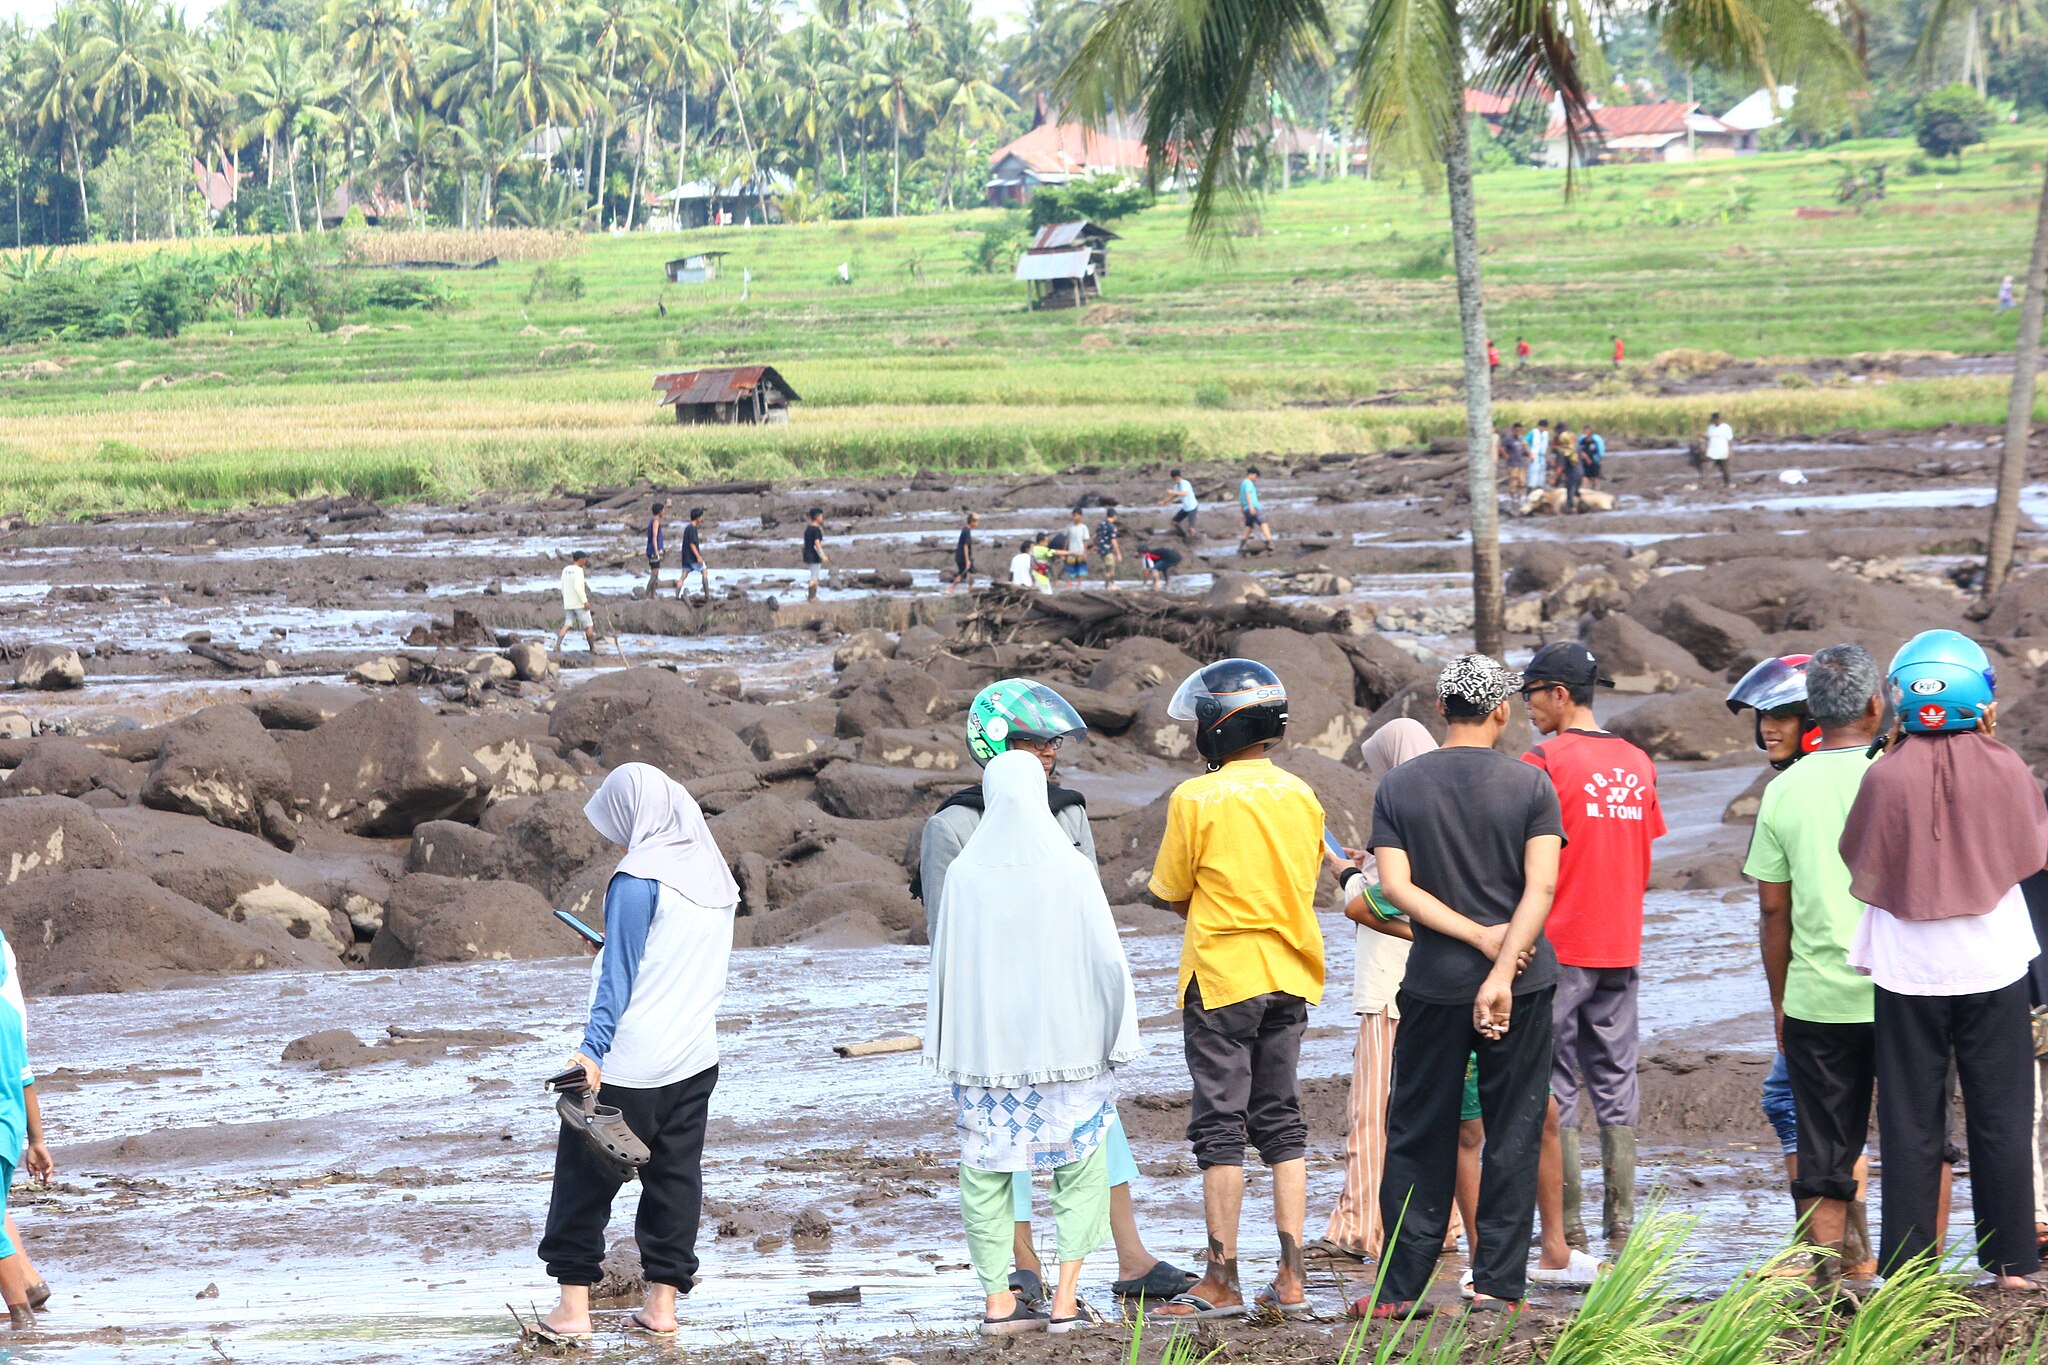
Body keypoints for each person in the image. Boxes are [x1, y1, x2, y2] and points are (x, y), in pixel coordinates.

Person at [918, 683, 1196, 1310]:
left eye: (1051, 741)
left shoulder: (1069, 812)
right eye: (1029, 742)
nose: (1047, 752)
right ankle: (1023, 1264)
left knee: (1095, 1132)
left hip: (1063, 1005)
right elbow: (946, 935)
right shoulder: (951, 826)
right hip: (996, 1009)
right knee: (999, 1145)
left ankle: (1132, 1254)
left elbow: (1089, 915)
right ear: (995, 747)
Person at [1839, 630, 2046, 1288]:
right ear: (1974, 695)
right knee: (2002, 1114)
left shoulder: (1883, 772)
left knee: (1910, 1119)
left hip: (1908, 970)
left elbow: (1859, 857)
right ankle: (2012, 1264)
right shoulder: (2007, 764)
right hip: (1994, 964)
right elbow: (2029, 851)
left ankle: (1908, 1266)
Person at [1363, 654, 1562, 1319]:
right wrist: (1503, 962)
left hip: (1435, 983)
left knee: (1419, 1129)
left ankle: (1400, 1290)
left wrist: (1475, 941)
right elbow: (1542, 886)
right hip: (1526, 983)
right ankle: (1500, 1285)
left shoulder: (1400, 786)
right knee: (1514, 1126)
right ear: (1502, 710)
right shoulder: (1531, 785)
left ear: (1442, 710)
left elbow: (1394, 888)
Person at [927, 749, 1144, 1335]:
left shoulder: (966, 874)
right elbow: (1106, 957)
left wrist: (945, 1044)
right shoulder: (1070, 869)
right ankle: (1067, 1300)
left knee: (985, 1174)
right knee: (1080, 1168)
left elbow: (945, 964)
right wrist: (1118, 1029)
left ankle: (1000, 1302)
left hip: (988, 1057)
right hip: (1069, 1046)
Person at [533, 764, 738, 1342]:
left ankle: (573, 1313)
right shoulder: (716, 879)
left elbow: (619, 981)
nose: (619, 841)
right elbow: (674, 961)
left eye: (619, 825)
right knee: (675, 1182)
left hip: (628, 1063)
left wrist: (590, 1053)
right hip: (695, 1058)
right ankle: (662, 1308)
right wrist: (606, 948)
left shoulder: (635, 879)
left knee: (582, 1186)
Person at [1148, 659, 1325, 1319]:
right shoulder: (1302, 794)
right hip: (1291, 975)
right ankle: (1292, 1276)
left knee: (1221, 1126)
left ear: (1217, 725)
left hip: (1223, 977)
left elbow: (1171, 891)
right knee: (1281, 1121)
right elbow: (1304, 881)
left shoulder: (1195, 798)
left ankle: (1220, 1277)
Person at [1742, 644, 1884, 1288]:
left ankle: (1841, 1262)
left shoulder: (1788, 792)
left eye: (1782, 715)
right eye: (1762, 716)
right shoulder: (1888, 770)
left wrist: (1779, 1001)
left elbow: (1776, 914)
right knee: (1906, 1127)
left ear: (1818, 717)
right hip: (1897, 988)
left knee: (1812, 1118)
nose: (1768, 727)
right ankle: (1856, 1259)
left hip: (1822, 994)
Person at [1520, 643, 1665, 1247]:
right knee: (1616, 1077)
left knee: (1553, 1080)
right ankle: (1621, 1226)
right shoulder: (1637, 760)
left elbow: (1521, 857)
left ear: (1559, 694)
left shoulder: (1544, 759)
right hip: (1621, 941)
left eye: (1531, 693)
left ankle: (1569, 1227)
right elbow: (1645, 851)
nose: (1525, 705)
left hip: (1559, 943)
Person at [1318, 719, 1437, 1260]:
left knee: (1370, 1114)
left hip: (1390, 991)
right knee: (1436, 1115)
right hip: (1437, 991)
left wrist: (1346, 873)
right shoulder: (1443, 814)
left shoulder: (1401, 814)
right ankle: (1445, 1225)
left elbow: (1372, 904)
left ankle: (1358, 1226)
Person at [0, 931, 51, 1332]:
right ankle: (28, 1290)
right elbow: (26, 1080)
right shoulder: (10, 1016)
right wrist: (36, 1141)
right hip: (11, 1129)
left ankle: (21, 1315)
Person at [555, 550, 597, 656]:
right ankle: (592, 649)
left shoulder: (565, 570)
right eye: (585, 560)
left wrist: (566, 599)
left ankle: (557, 645)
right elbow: (578, 588)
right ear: (581, 559)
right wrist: (585, 601)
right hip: (579, 603)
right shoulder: (579, 571)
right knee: (588, 626)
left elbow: (562, 586)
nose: (585, 562)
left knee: (567, 624)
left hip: (569, 602)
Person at [1237, 468, 1274, 552]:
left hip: (1246, 509)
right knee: (1263, 522)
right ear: (1252, 474)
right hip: (1253, 507)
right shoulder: (1249, 483)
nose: (1256, 479)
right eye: (1256, 476)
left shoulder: (1243, 483)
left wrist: (1243, 512)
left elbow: (1241, 499)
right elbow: (1248, 494)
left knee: (1249, 526)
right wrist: (1251, 507)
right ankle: (1270, 542)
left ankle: (1242, 545)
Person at [677, 507, 709, 604]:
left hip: (686, 557)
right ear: (698, 518)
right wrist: (698, 556)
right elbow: (692, 544)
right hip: (692, 558)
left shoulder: (687, 528)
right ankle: (707, 595)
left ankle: (676, 595)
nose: (701, 519)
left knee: (683, 576)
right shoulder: (692, 529)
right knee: (704, 571)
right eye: (701, 517)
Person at [1158, 470, 1199, 542]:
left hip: (1192, 507)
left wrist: (1172, 491)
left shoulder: (1185, 483)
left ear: (1179, 476)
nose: (1176, 480)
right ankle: (1182, 534)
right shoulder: (1177, 486)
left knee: (1191, 528)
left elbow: (1184, 493)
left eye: (1176, 478)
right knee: (1173, 522)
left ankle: (1194, 540)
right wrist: (1163, 502)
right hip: (1186, 508)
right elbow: (1174, 496)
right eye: (1174, 479)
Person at [946, 513, 979, 594]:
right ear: (971, 522)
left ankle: (951, 589)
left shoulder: (965, 530)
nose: (977, 524)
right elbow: (965, 546)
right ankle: (970, 588)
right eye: (976, 522)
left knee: (961, 574)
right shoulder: (967, 531)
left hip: (960, 557)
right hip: (963, 557)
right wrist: (967, 560)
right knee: (973, 572)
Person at [801, 507, 829, 602]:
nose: (822, 517)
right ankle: (812, 597)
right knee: (814, 576)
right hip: (814, 555)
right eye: (821, 516)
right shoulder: (816, 530)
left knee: (814, 575)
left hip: (807, 554)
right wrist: (823, 555)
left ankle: (812, 596)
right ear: (817, 517)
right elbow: (817, 543)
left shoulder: (808, 529)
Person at [1554, 426, 1583, 513]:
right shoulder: (1576, 447)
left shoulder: (1562, 451)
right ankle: (1582, 505)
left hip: (1571, 474)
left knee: (1570, 493)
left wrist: (1555, 478)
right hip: (1580, 472)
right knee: (1576, 491)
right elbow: (1580, 459)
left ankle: (1572, 509)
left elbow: (1561, 467)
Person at [1704, 413, 1734, 488]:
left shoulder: (1726, 427)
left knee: (1725, 470)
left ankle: (1728, 483)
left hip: (1723, 452)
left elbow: (1729, 440)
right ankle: (1706, 484)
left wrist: (1730, 451)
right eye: (1714, 420)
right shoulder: (1710, 427)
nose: (1715, 421)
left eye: (1716, 420)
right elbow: (1709, 438)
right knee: (1708, 468)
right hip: (1712, 452)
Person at [1095, 510, 1123, 591]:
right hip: (1107, 550)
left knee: (1108, 568)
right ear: (1114, 516)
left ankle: (1107, 586)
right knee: (1110, 568)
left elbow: (1095, 536)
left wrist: (1094, 545)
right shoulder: (1112, 527)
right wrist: (1118, 553)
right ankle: (1111, 585)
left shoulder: (1101, 525)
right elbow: (1113, 541)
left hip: (1101, 550)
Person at [644, 502, 667, 596]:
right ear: (659, 511)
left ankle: (652, 594)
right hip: (653, 550)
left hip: (651, 549)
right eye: (663, 510)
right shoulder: (655, 522)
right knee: (654, 575)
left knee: (655, 574)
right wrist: (657, 551)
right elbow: (654, 537)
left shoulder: (653, 521)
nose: (664, 512)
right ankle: (646, 594)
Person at [1500, 425, 1528, 497]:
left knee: (1522, 481)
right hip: (1512, 463)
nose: (1518, 432)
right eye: (1516, 431)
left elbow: (1525, 449)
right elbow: (1501, 447)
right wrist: (1505, 455)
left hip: (1520, 463)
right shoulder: (1508, 439)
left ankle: (1521, 496)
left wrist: (1527, 451)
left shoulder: (1521, 439)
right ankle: (1512, 496)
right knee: (1513, 481)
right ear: (1513, 430)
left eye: (1520, 431)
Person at [1065, 509, 1091, 581]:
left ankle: (1080, 586)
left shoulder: (1084, 528)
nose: (1074, 517)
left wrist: (1085, 553)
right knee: (1070, 570)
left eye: (1075, 515)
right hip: (1071, 552)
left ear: (1081, 516)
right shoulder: (1069, 527)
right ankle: (1069, 586)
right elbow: (1066, 540)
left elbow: (1085, 541)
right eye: (1073, 516)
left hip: (1080, 552)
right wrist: (1064, 552)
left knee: (1081, 571)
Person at [1527, 421, 1550, 493]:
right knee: (1532, 477)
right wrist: (1530, 453)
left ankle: (1539, 493)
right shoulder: (1533, 432)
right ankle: (1529, 493)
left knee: (1541, 477)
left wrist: (1547, 454)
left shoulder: (1546, 434)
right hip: (1535, 455)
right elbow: (1525, 442)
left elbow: (1547, 445)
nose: (1544, 428)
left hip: (1542, 457)